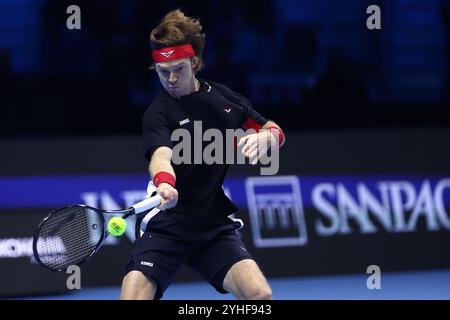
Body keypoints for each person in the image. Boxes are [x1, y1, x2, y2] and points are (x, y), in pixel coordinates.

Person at [120, 9, 285, 300]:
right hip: (167, 223)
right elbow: (160, 155)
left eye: (179, 69)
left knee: (259, 295)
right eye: (163, 72)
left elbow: (271, 128)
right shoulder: (158, 112)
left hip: (212, 223)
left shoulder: (225, 99)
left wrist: (268, 139)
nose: (171, 79)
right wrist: (164, 182)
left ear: (194, 62)